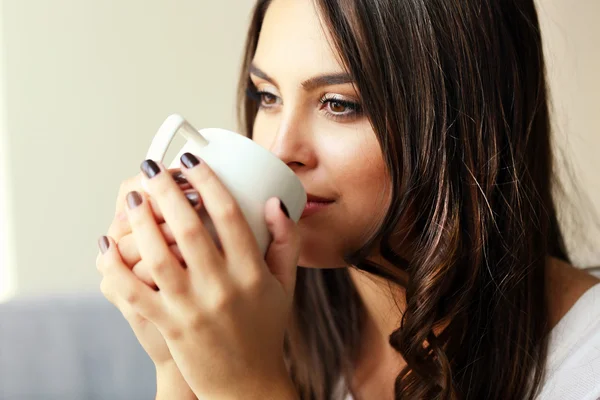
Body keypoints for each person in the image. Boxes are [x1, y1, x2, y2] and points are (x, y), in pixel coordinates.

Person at [96, 0, 600, 399]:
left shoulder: (585, 364)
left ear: (467, 123)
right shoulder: (267, 317)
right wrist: (180, 364)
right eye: (266, 97)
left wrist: (246, 387)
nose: (278, 150)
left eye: (339, 104)